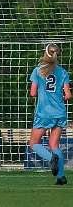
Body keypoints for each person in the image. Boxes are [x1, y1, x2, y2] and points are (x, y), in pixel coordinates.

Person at [29, 43, 71, 185]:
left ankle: (50, 158)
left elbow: (33, 93)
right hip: (59, 112)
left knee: (34, 143)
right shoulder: (63, 72)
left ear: (45, 54)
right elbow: (68, 95)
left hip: (44, 113)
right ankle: (61, 177)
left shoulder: (38, 71)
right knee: (54, 145)